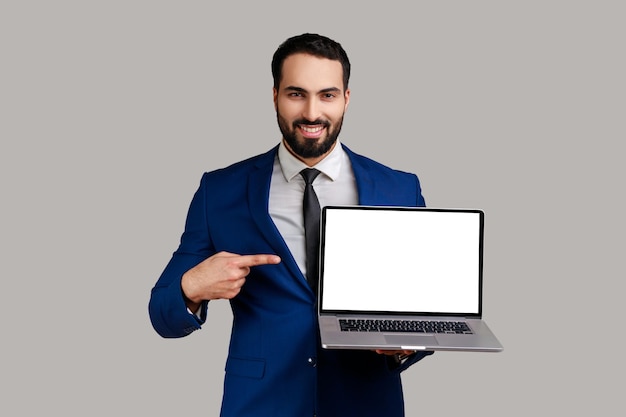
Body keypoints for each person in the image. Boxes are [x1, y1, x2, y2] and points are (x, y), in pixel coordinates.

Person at [149, 33, 433, 417]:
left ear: (346, 98)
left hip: (366, 404)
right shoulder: (219, 191)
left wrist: (403, 344)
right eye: (297, 94)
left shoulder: (400, 188)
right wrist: (192, 288)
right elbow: (162, 315)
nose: (312, 113)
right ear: (275, 95)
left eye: (327, 95)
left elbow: (426, 308)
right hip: (260, 404)